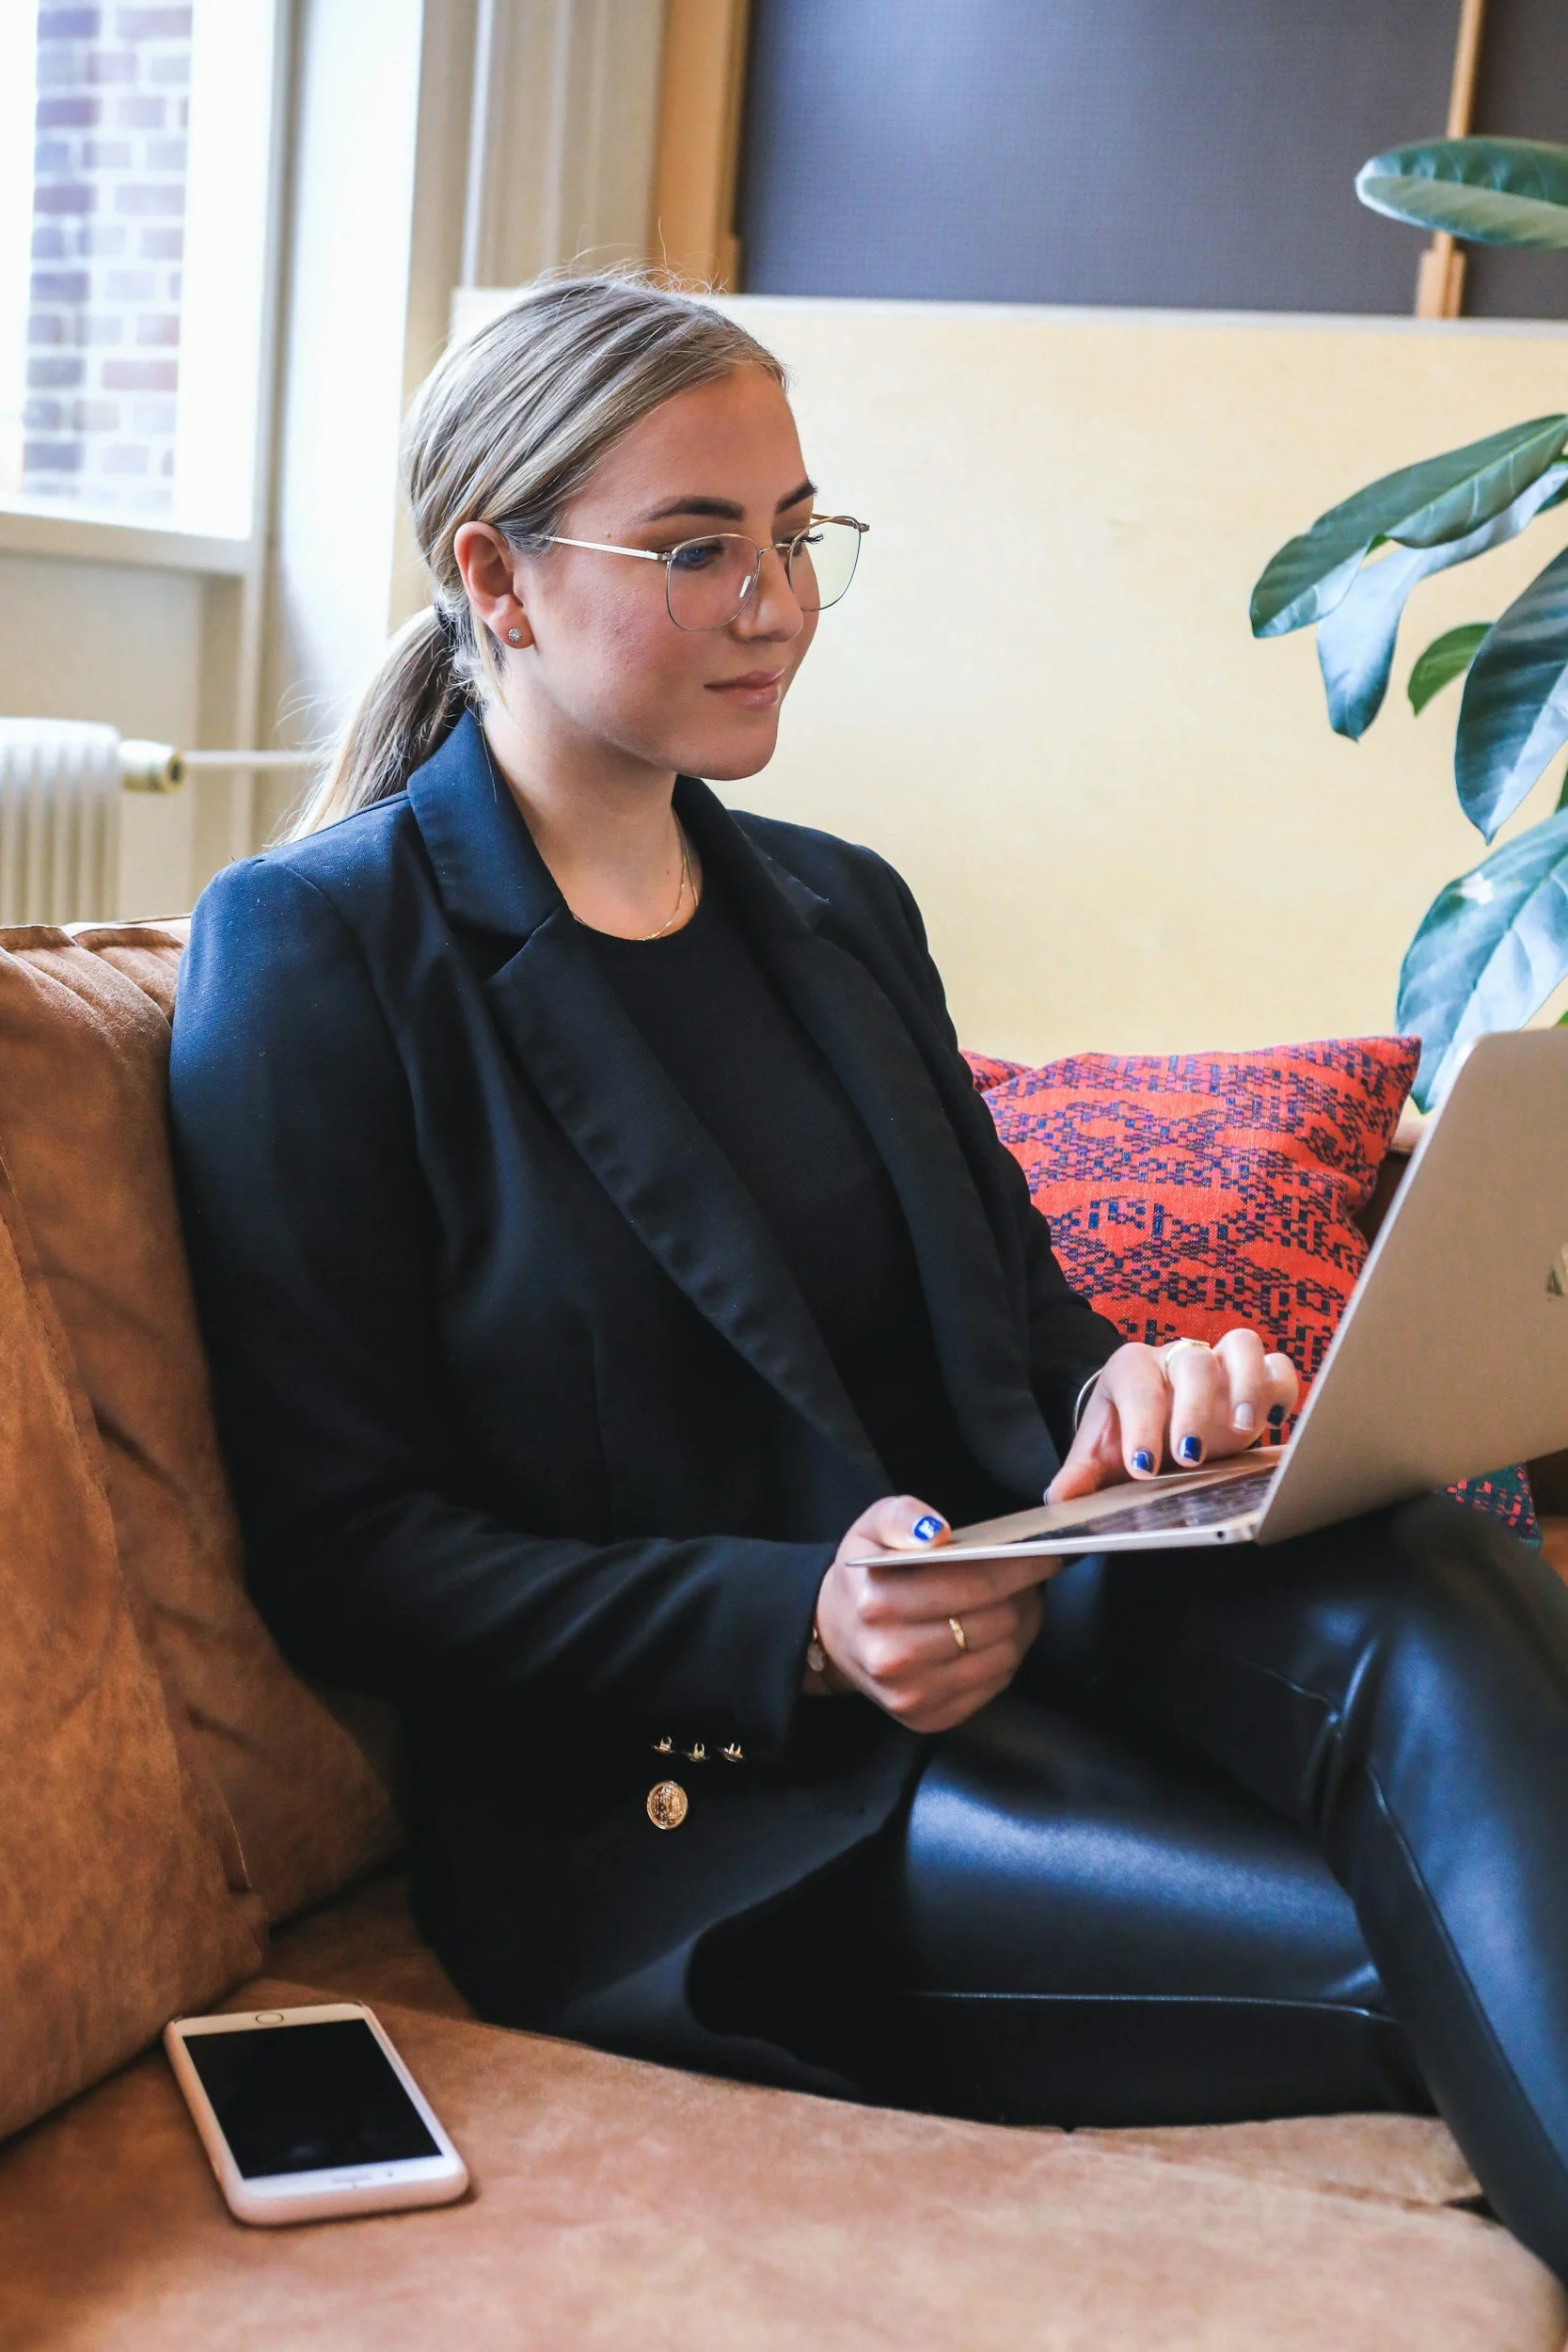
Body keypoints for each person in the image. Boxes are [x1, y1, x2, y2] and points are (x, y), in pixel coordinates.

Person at [169, 273, 1568, 2277]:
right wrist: (803, 1626)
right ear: (493, 571)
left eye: (794, 533)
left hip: (1037, 1622)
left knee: (1427, 1570)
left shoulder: (835, 908)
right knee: (1436, 1935)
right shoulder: (318, 955)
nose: (774, 602)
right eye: (693, 548)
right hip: (716, 1805)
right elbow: (344, 1545)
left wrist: (1129, 1393)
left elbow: (1023, 1329)